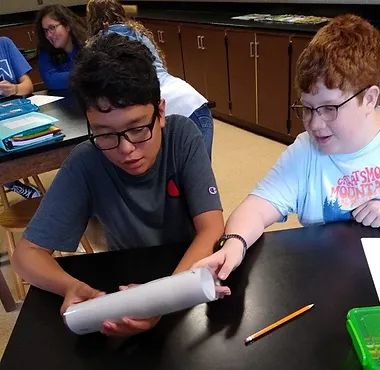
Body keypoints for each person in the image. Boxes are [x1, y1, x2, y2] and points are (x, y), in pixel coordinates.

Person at [12, 33, 224, 337]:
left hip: (189, 274)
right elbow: (26, 255)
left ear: (160, 112)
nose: (126, 150)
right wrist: (72, 287)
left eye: (138, 129)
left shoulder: (183, 136)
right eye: (105, 133)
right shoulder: (86, 160)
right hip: (123, 279)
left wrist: (160, 299)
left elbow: (212, 227)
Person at [194, 14, 380, 288]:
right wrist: (234, 244)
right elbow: (256, 207)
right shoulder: (305, 151)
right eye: (307, 108)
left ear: (369, 99)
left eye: (329, 108)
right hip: (329, 285)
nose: (315, 124)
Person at [86, 0, 214, 158]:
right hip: (193, 101)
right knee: (199, 173)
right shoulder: (139, 33)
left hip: (161, 109)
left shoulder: (98, 45)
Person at [0, 36, 41, 199]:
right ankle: (9, 180)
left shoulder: (4, 43)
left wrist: (14, 89)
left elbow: (28, 85)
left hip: (16, 111)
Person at [34, 4, 86, 90]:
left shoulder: (87, 46)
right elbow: (51, 80)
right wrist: (85, 75)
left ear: (67, 26)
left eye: (52, 28)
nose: (49, 35)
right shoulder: (45, 51)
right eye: (46, 30)